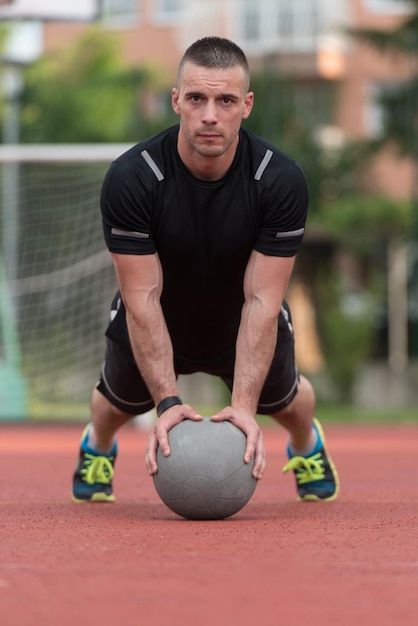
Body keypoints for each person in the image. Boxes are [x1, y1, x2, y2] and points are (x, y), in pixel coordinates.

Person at [72, 36, 339, 504]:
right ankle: (97, 446)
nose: (210, 115)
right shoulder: (133, 177)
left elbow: (263, 300)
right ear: (176, 100)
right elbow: (142, 299)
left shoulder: (279, 180)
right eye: (196, 98)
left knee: (290, 404)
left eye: (225, 100)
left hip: (242, 315)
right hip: (159, 311)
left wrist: (243, 409)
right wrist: (168, 404)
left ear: (247, 105)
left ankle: (306, 445)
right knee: (114, 402)